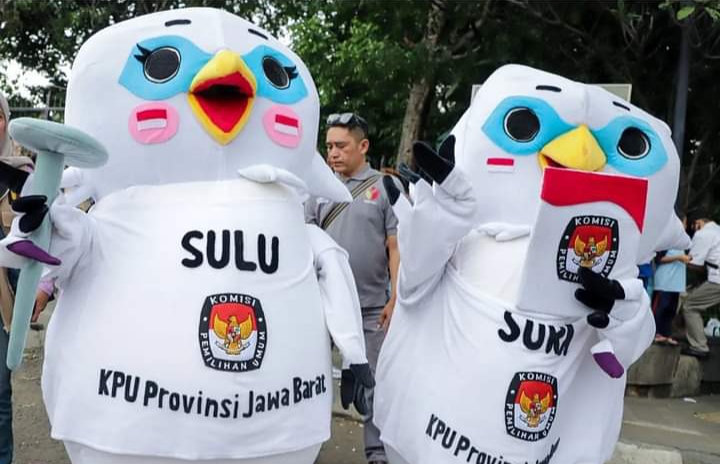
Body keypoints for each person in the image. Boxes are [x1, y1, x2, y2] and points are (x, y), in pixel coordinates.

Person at [305, 112, 399, 464]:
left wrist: (395, 297)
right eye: (329, 146)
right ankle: (307, 447)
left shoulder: (385, 188)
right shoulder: (317, 189)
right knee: (313, 381)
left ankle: (376, 453)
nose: (333, 153)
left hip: (372, 307)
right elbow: (305, 240)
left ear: (363, 146)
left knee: (374, 384)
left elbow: (395, 246)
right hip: (323, 305)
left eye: (341, 146)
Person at [680, 215, 720, 358]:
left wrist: (680, 259)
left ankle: (699, 346)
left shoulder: (703, 234)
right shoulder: (717, 230)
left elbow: (694, 263)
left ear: (698, 222)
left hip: (717, 280)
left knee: (690, 306)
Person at [652, 248, 690, 345]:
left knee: (671, 309)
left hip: (676, 283)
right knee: (661, 308)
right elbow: (658, 259)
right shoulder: (666, 244)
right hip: (664, 282)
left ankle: (666, 334)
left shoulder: (683, 245)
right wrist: (678, 258)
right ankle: (656, 333)